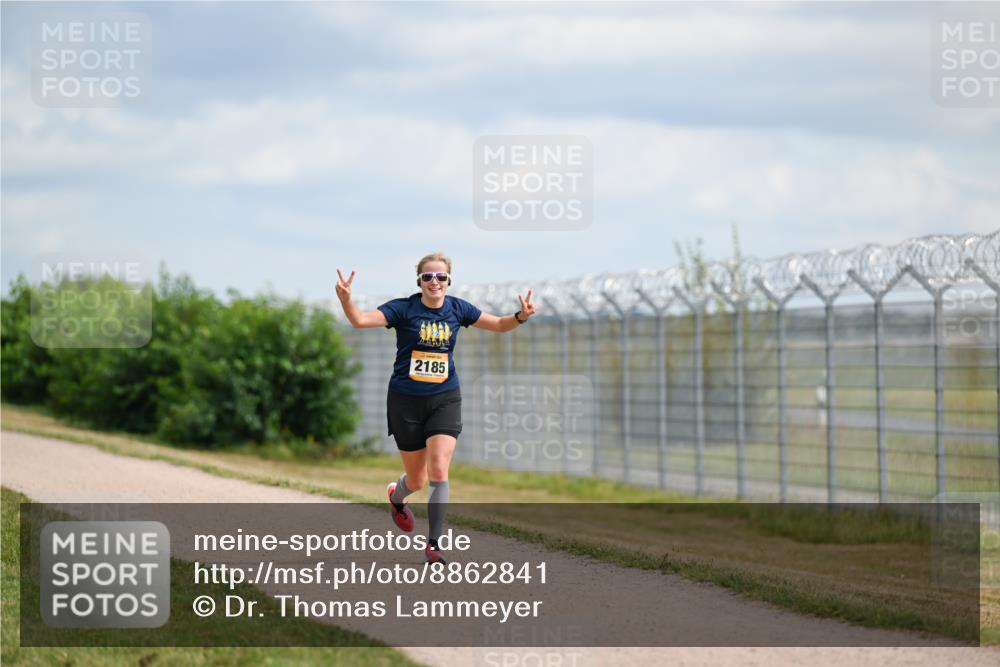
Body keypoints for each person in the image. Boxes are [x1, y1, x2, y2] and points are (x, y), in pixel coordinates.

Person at [335, 252, 536, 563]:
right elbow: (360, 320)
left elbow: (497, 324)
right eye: (428, 277)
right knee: (416, 480)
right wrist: (346, 299)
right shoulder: (403, 308)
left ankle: (434, 545)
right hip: (405, 401)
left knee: (439, 468)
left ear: (449, 280)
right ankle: (396, 496)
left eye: (440, 277)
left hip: (445, 397)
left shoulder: (457, 308)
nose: (434, 282)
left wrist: (520, 316)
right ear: (419, 281)